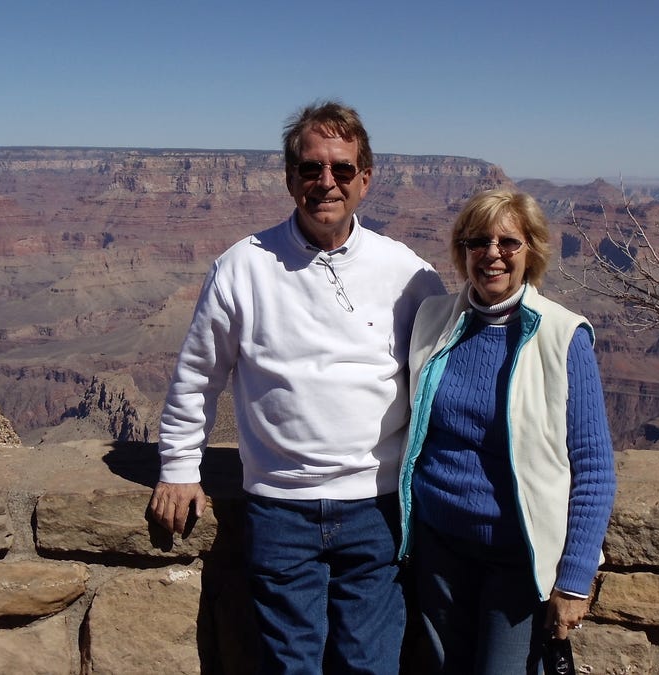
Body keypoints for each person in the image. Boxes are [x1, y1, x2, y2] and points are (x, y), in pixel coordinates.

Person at [150, 100, 446, 675]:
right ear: (290, 178)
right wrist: (180, 468)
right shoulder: (242, 267)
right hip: (280, 508)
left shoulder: (407, 272)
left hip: (377, 508)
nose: (325, 182)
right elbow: (198, 376)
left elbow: (442, 378)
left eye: (341, 169)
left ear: (365, 179)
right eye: (311, 168)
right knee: (292, 668)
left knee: (371, 666)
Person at [398, 189, 617, 674]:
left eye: (508, 243)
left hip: (515, 558)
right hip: (438, 550)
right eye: (477, 242)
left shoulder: (563, 335)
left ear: (531, 251)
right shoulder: (434, 318)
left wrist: (575, 580)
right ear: (462, 250)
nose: (492, 254)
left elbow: (595, 469)